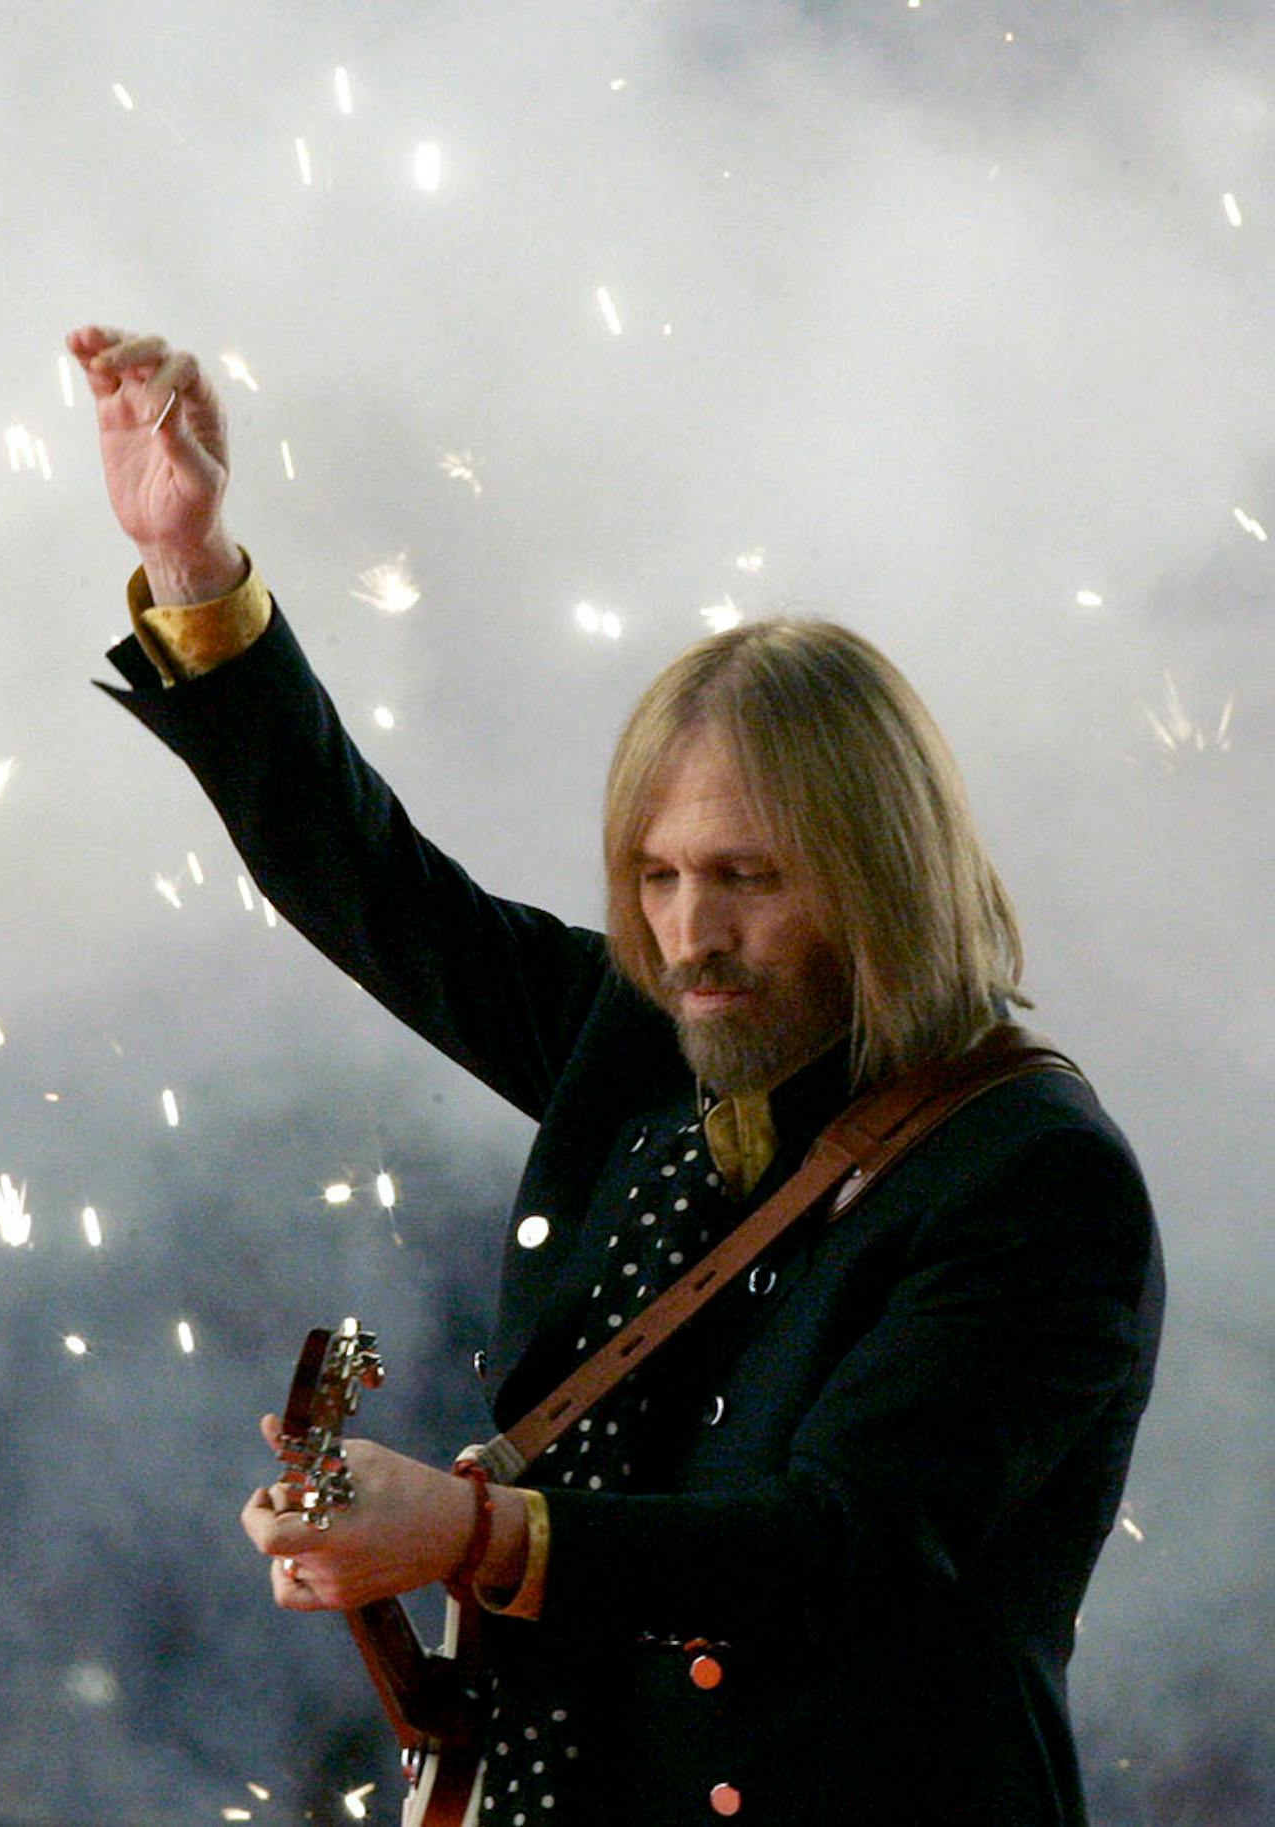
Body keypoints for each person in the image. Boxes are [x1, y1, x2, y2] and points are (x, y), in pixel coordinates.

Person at [66, 324, 1164, 1826]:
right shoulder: (646, 1033)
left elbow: (837, 1547)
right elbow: (375, 887)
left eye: (748, 878)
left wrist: (470, 1535)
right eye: (656, 875)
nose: (689, 935)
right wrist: (191, 565)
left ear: (882, 875)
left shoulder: (1035, 1174)